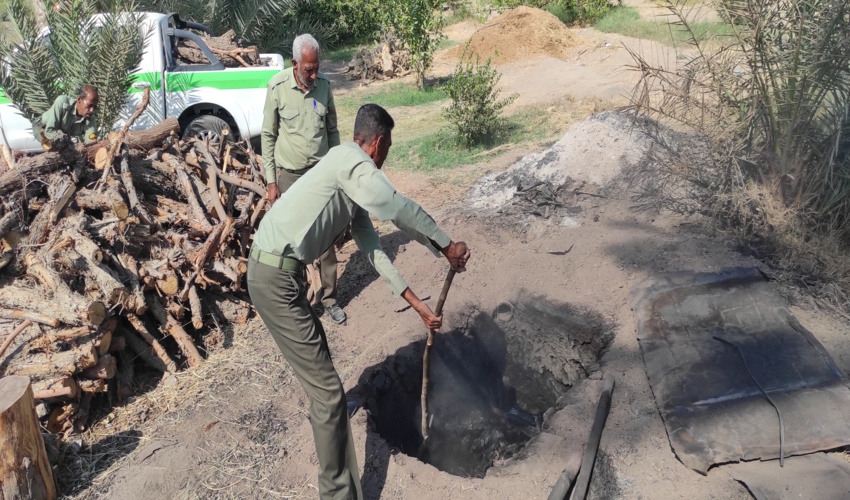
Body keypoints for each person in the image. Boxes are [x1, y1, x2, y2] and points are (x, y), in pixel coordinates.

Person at [248, 103, 471, 500]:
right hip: (273, 277)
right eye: (388, 150)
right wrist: (445, 243)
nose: (385, 160)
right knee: (329, 393)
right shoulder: (351, 163)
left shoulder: (344, 174)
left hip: (281, 274)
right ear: (379, 143)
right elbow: (395, 206)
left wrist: (418, 304)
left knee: (324, 384)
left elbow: (374, 250)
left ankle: (331, 452)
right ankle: (338, 495)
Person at [261, 33, 347, 324]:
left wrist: (337, 168)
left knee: (325, 242)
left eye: (316, 67)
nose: (313, 74)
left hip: (321, 176)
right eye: (308, 68)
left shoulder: (324, 86)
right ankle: (297, 304)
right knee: (292, 244)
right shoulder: (277, 87)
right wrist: (271, 181)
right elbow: (268, 135)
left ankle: (330, 300)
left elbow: (332, 130)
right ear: (295, 63)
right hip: (290, 178)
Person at [33, 85, 99, 145]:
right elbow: (49, 131)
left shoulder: (90, 119)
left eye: (95, 107)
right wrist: (68, 144)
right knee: (54, 148)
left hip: (59, 134)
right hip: (42, 127)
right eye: (89, 105)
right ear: (79, 99)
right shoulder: (63, 102)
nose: (91, 110)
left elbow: (91, 143)